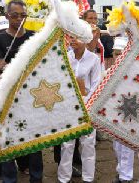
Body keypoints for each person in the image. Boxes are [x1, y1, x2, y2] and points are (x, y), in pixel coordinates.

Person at [0, 0, 41, 183]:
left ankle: (36, 177)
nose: (19, 19)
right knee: (7, 137)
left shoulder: (34, 37)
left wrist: (10, 66)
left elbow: (38, 66)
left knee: (35, 139)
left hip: (31, 95)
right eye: (15, 15)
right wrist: (3, 66)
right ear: (6, 16)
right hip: (8, 97)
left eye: (23, 15)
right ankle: (9, 178)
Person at [57, 36, 101, 183]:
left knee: (88, 144)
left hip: (87, 105)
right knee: (67, 144)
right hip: (68, 105)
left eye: (78, 38)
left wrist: (86, 105)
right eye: (72, 37)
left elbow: (96, 85)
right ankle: (64, 178)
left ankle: (88, 178)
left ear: (86, 40)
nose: (73, 40)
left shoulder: (93, 59)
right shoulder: (64, 57)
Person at [109, 36, 135, 183]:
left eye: (121, 53)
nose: (118, 57)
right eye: (115, 53)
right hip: (114, 116)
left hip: (130, 116)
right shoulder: (110, 71)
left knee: (127, 147)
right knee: (116, 145)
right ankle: (120, 172)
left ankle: (126, 176)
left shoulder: (135, 73)